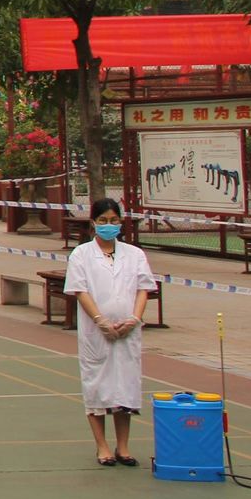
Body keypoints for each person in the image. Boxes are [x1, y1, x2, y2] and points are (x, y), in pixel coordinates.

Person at [64, 199, 155, 467]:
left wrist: (134, 319)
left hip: (128, 331)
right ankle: (102, 446)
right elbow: (80, 289)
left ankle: (123, 446)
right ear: (93, 223)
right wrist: (100, 321)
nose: (109, 225)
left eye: (114, 220)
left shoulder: (134, 254)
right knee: (97, 386)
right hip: (97, 332)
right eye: (103, 221)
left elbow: (143, 288)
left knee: (125, 387)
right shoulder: (81, 254)